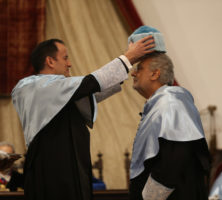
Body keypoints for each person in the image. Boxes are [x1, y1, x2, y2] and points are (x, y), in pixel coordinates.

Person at [12, 37, 154, 200]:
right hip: (50, 171)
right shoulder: (31, 86)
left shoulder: (60, 90)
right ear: (50, 61)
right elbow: (90, 83)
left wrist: (125, 69)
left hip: (72, 170)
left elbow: (91, 91)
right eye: (65, 58)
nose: (69, 64)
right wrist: (128, 58)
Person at [128, 25, 211, 200]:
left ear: (155, 74)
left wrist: (148, 197)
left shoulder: (172, 103)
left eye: (140, 68)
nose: (133, 73)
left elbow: (175, 159)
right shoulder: (160, 104)